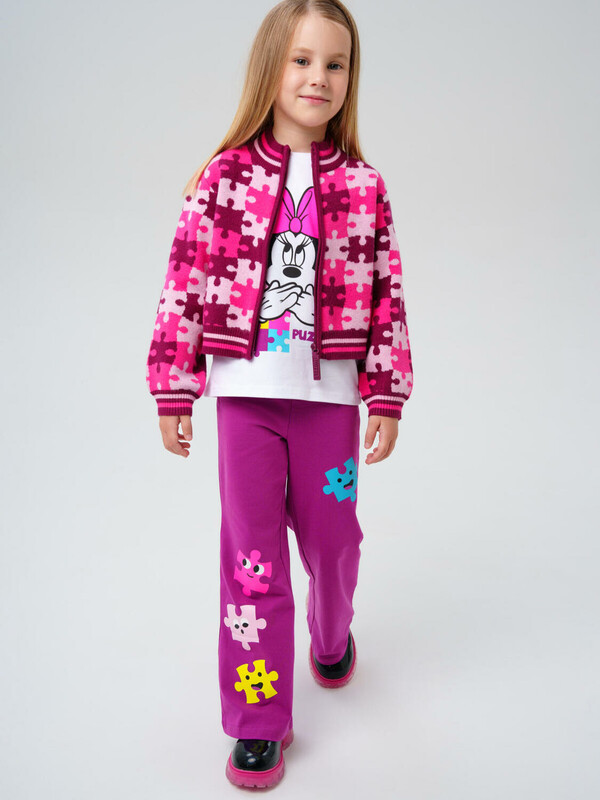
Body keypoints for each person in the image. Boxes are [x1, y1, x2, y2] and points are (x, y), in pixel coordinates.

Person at [145, 0, 413, 789]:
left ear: (350, 78)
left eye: (335, 63)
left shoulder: (364, 186)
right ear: (271, 67)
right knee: (252, 562)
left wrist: (387, 393)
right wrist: (174, 386)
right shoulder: (223, 177)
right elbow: (186, 281)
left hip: (330, 402)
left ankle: (332, 635)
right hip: (246, 400)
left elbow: (388, 296)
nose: (317, 77)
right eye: (301, 60)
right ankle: (257, 721)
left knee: (334, 545)